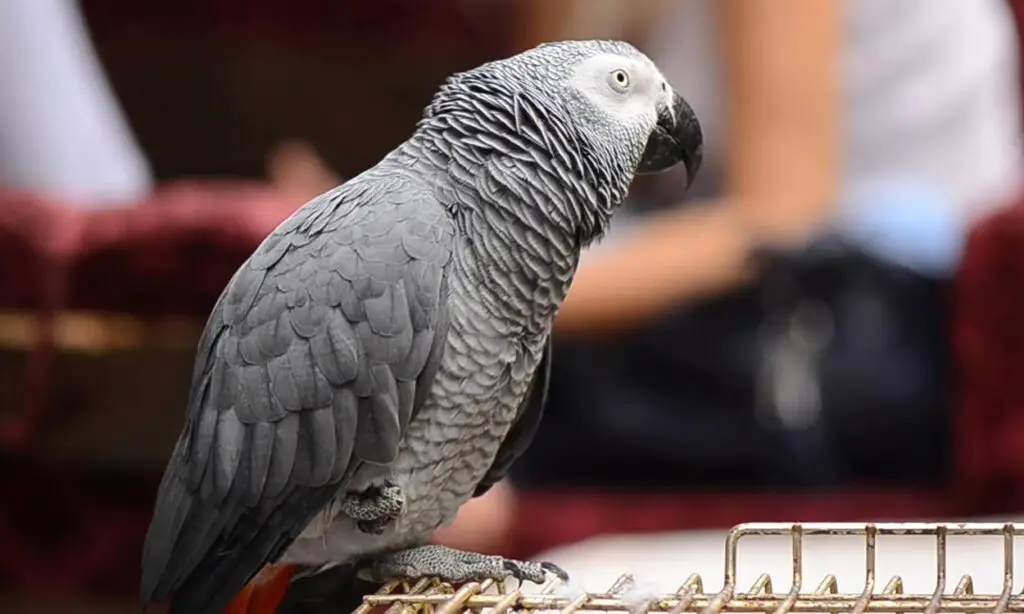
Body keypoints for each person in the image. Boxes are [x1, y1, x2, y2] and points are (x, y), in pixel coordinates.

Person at [435, 0, 1024, 555]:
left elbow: (778, 221)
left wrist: (446, 303)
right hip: (755, 311)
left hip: (886, 332)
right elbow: (538, 186)